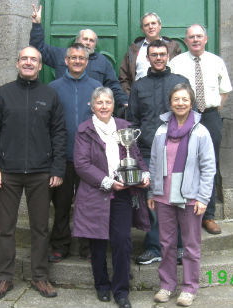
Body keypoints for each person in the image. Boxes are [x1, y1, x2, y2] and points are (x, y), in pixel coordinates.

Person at [0, 46, 67, 299]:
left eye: (34, 59)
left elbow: (59, 134)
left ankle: (40, 277)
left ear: (41, 66)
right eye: (25, 59)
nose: (29, 62)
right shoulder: (3, 94)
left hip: (42, 173)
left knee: (41, 228)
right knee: (6, 229)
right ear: (17, 63)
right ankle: (4, 278)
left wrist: (57, 168)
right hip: (7, 174)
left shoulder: (50, 95)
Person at [73, 87, 150, 308]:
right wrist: (107, 182)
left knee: (122, 242)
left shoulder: (124, 127)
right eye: (99, 102)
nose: (104, 106)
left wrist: (143, 174)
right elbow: (81, 164)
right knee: (97, 242)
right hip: (96, 193)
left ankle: (121, 290)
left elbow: (135, 156)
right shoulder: (84, 130)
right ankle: (102, 285)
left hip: (123, 194)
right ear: (92, 106)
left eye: (108, 102)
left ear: (113, 105)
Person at [148, 83, 216, 307]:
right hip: (164, 196)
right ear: (170, 102)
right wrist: (152, 191)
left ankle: (189, 288)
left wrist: (203, 198)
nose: (180, 103)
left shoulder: (200, 131)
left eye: (184, 99)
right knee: (166, 243)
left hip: (190, 197)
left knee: (190, 245)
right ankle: (167, 285)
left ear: (191, 102)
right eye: (176, 99)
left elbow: (208, 167)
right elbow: (155, 162)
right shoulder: (161, 130)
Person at [128, 39, 190, 266]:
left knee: (178, 198)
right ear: (147, 57)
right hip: (146, 151)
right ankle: (154, 247)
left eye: (162, 54)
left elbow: (188, 114)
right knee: (152, 200)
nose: (158, 58)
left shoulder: (180, 82)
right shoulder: (139, 86)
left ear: (168, 56)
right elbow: (132, 121)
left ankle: (180, 247)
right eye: (154, 54)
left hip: (176, 149)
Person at [170, 24, 232, 235]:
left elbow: (224, 91)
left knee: (210, 163)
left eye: (199, 36)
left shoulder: (216, 61)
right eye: (191, 37)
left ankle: (209, 215)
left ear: (205, 39)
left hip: (210, 116)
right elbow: (171, 92)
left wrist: (211, 110)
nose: (195, 39)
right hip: (184, 116)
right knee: (182, 160)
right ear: (185, 41)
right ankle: (182, 212)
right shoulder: (176, 62)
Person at [47, 42, 101, 262]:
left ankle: (87, 246)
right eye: (73, 58)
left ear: (87, 61)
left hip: (90, 160)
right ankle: (60, 244)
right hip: (63, 158)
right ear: (66, 61)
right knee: (61, 205)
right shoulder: (53, 88)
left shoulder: (97, 87)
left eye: (82, 58)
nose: (77, 61)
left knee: (88, 204)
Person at [29, 4, 128, 110]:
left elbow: (113, 84)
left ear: (95, 44)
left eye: (91, 40)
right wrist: (37, 25)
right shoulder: (61, 55)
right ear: (78, 40)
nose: (88, 43)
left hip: (91, 112)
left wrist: (124, 101)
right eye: (85, 39)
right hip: (64, 109)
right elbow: (38, 49)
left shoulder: (103, 62)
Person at [119, 12, 181, 96]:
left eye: (153, 23)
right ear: (142, 29)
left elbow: (180, 73)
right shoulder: (134, 49)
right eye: (146, 25)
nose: (150, 27)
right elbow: (124, 77)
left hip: (168, 97)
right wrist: (130, 97)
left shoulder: (173, 47)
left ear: (160, 26)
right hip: (141, 97)